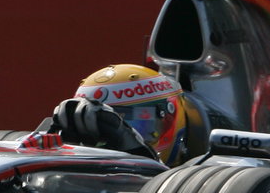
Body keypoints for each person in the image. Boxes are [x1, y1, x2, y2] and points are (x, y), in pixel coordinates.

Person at [46, 64, 189, 164]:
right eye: (100, 128)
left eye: (138, 123)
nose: (111, 139)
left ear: (171, 117)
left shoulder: (205, 176)